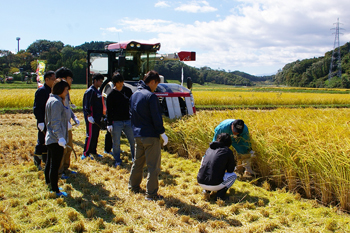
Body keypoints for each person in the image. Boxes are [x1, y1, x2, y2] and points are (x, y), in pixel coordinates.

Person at [128, 70, 168, 201]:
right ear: (152, 82)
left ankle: (133, 187)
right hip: (150, 136)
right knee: (153, 166)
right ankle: (151, 194)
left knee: (137, 162)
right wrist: (162, 133)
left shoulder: (134, 95)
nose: (156, 87)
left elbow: (131, 115)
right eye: (156, 84)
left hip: (137, 135)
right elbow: (156, 117)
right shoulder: (150, 97)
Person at [44, 78, 70, 197]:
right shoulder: (56, 102)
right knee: (55, 165)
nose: (67, 92)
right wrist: (60, 137)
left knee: (49, 162)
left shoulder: (53, 99)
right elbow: (55, 122)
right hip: (55, 139)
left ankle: (49, 183)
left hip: (51, 138)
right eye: (65, 90)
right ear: (60, 90)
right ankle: (55, 190)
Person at [55, 67, 80, 177]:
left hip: (68, 125)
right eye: (70, 78)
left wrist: (74, 118)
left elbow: (67, 108)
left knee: (69, 147)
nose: (71, 81)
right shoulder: (56, 93)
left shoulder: (66, 92)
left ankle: (66, 168)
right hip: (60, 126)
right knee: (61, 149)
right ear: (63, 78)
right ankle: (59, 171)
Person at [197, 133, 237, 200]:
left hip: (200, 181)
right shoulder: (227, 151)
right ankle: (220, 195)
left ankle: (206, 191)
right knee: (233, 175)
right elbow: (230, 170)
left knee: (209, 171)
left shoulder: (209, 149)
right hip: (215, 184)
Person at [106, 73, 135, 166]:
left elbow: (132, 104)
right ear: (114, 83)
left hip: (128, 120)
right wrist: (109, 123)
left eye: (122, 81)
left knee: (133, 140)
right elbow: (109, 111)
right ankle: (117, 160)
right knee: (116, 142)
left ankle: (135, 159)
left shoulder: (128, 91)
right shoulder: (111, 95)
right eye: (118, 82)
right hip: (116, 122)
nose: (120, 84)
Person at [33, 71, 56, 170]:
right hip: (43, 121)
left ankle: (46, 162)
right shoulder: (42, 91)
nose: (55, 81)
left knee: (48, 143)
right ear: (47, 79)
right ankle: (37, 160)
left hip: (51, 120)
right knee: (42, 141)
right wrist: (40, 121)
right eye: (53, 79)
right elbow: (37, 107)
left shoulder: (53, 91)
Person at [82, 73, 104, 159]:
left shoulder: (98, 91)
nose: (101, 83)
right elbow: (87, 104)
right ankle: (85, 153)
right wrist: (88, 115)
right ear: (95, 81)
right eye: (100, 81)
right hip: (91, 117)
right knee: (90, 135)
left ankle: (93, 151)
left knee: (95, 135)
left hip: (97, 117)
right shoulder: (90, 91)